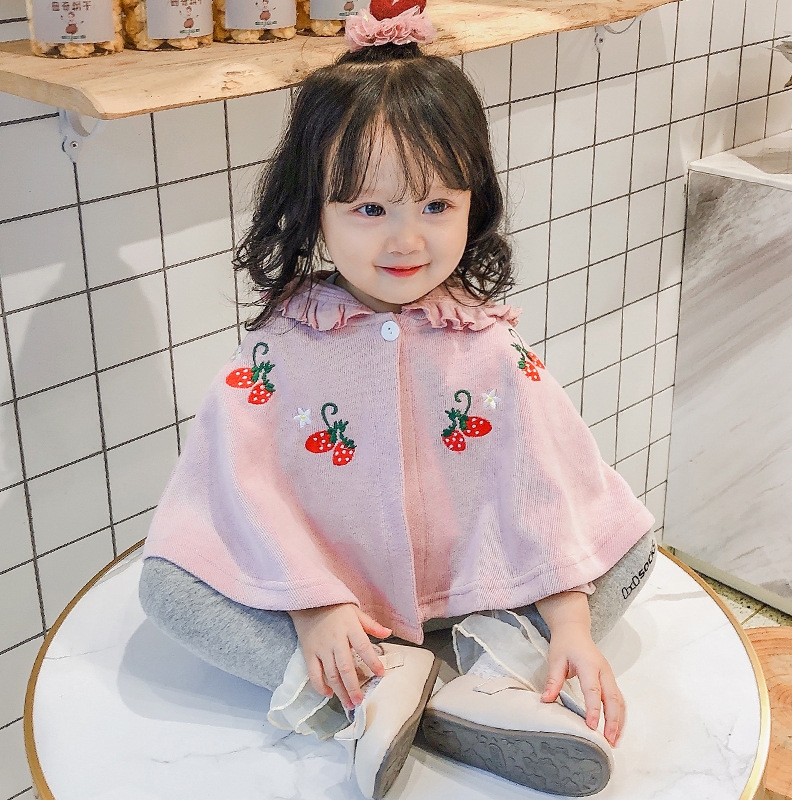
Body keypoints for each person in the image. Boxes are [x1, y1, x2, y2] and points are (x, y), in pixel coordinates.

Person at [139, 3, 658, 798]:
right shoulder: (282, 349)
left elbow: (548, 492)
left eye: (437, 205)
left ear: (474, 202)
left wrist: (572, 626)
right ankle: (405, 686)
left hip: (472, 595)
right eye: (370, 209)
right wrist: (312, 606)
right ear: (314, 209)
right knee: (167, 587)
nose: (407, 241)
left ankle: (454, 686)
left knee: (631, 542)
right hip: (344, 612)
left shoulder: (488, 345)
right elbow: (237, 491)